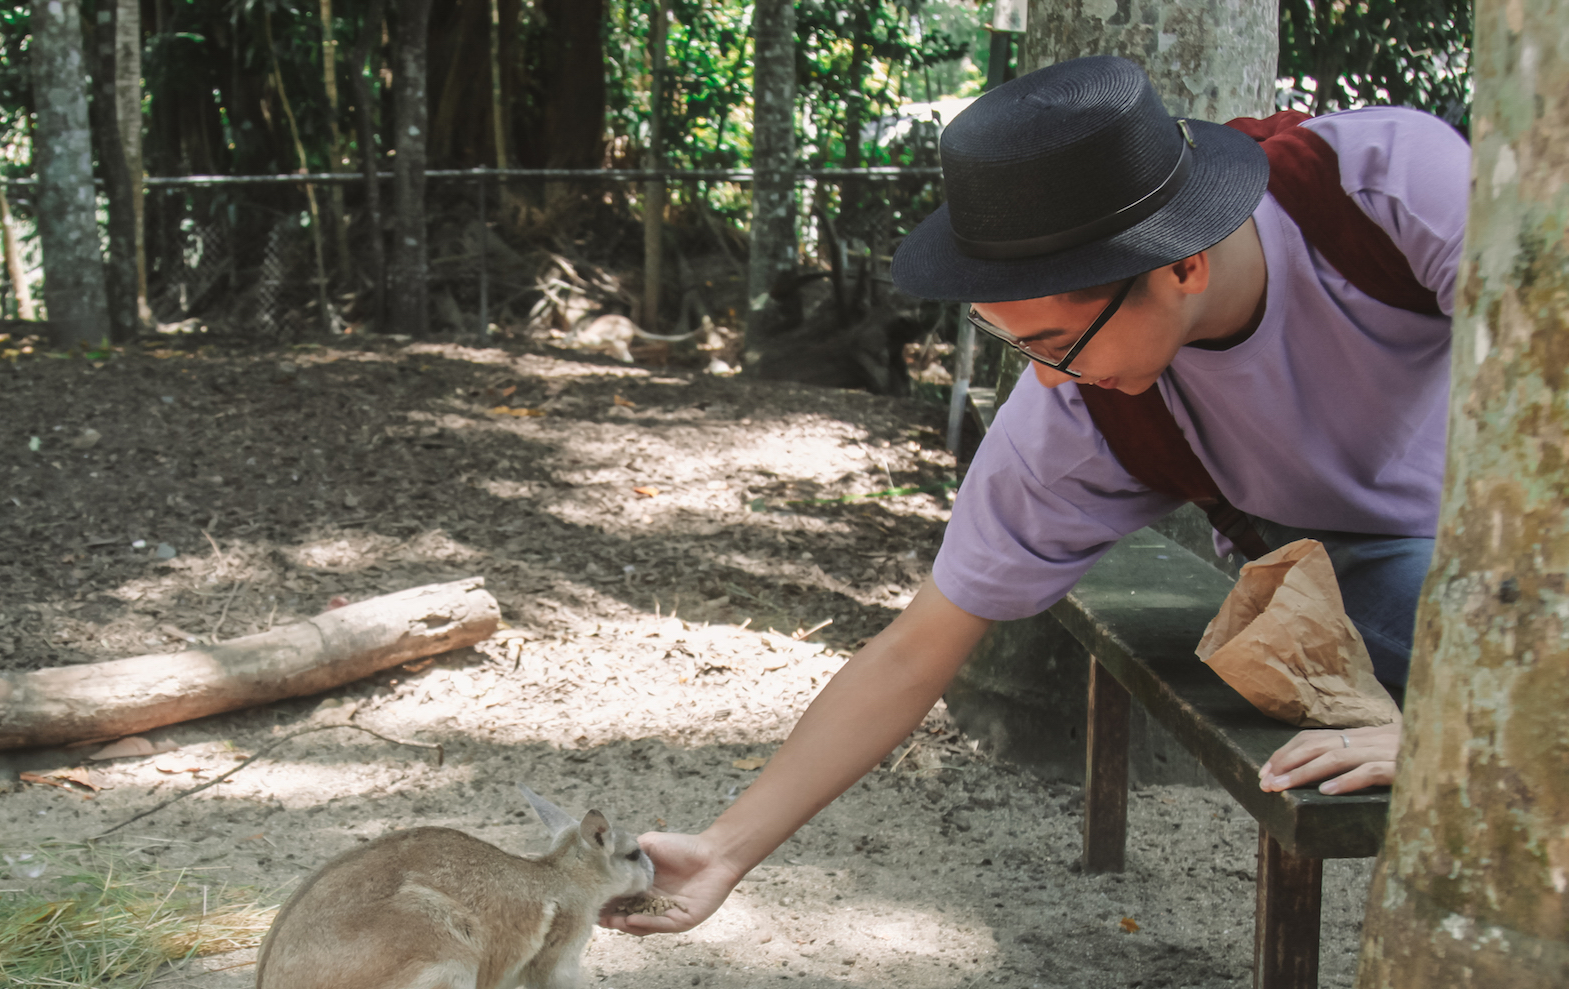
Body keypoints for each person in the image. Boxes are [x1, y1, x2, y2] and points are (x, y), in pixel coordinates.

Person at [603, 56, 1463, 937]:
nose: (1049, 383)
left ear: (1186, 264)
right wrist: (726, 848)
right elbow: (915, 649)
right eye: (1021, 347)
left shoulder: (1389, 188)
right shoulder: (1077, 412)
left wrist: (1452, 729)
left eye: (1059, 342)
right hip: (1347, 571)